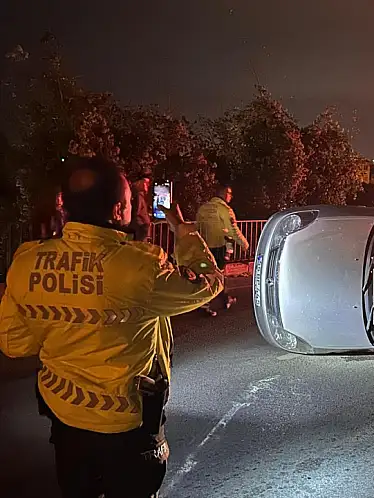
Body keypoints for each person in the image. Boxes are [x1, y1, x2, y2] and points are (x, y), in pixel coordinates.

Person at [0, 156, 223, 498]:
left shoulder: (27, 260)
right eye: (133, 202)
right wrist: (182, 229)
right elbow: (209, 282)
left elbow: (15, 344)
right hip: (127, 427)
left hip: (65, 419)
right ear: (119, 211)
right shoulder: (143, 266)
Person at [196, 184, 250, 314]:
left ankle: (223, 298)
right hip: (219, 247)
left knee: (209, 273)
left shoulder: (203, 208)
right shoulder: (225, 209)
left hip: (204, 246)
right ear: (223, 193)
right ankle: (211, 302)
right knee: (217, 275)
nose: (231, 196)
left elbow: (198, 227)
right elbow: (233, 230)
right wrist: (244, 244)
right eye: (229, 193)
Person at [130, 171, 153, 243]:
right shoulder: (139, 196)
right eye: (146, 183)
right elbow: (137, 210)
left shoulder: (141, 196)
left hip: (142, 226)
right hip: (140, 226)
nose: (147, 185)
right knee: (140, 244)